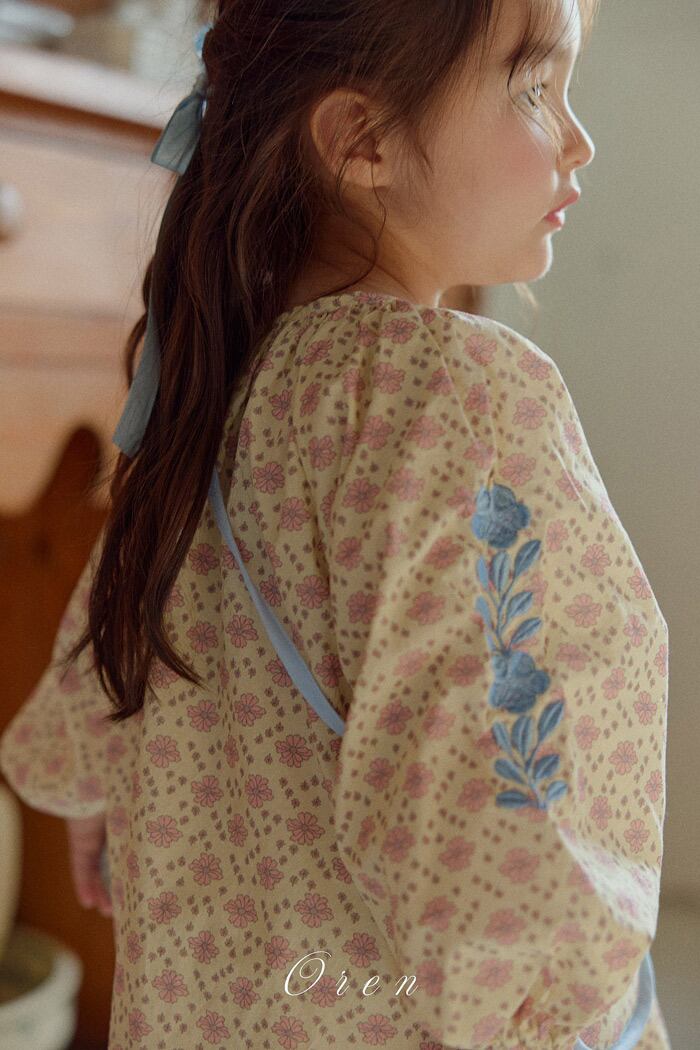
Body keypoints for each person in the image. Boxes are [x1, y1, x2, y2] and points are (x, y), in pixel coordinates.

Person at [0, 0, 672, 1047]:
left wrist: (88, 780)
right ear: (361, 138)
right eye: (536, 90)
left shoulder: (214, 389)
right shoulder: (458, 398)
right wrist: (559, 996)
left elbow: (120, 614)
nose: (578, 140)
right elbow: (499, 745)